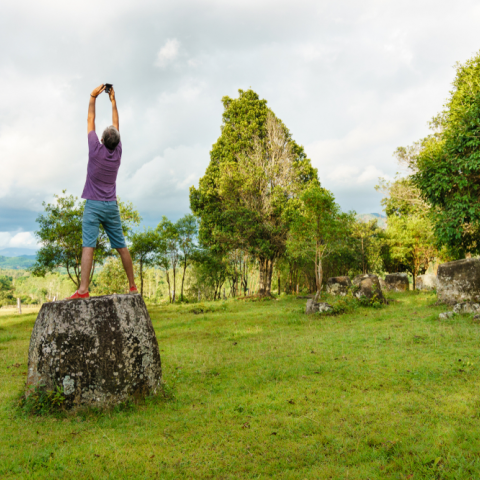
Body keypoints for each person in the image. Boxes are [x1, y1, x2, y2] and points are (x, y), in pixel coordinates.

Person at [66, 84, 138, 299]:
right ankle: (133, 286)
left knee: (88, 245)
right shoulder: (118, 153)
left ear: (101, 140)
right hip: (111, 206)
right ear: (116, 142)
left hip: (93, 204)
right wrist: (113, 101)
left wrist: (92, 96)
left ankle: (83, 290)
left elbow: (90, 120)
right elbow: (117, 125)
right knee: (121, 246)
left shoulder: (94, 149)